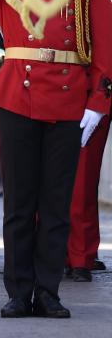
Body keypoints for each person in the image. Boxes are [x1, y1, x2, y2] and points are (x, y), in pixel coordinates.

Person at [0, 0, 112, 319]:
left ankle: (48, 291)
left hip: (69, 96)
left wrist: (98, 102)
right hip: (17, 95)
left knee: (56, 204)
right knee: (19, 204)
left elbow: (105, 44)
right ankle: (18, 290)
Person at [66, 114, 110, 282]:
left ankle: (80, 257)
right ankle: (52, 252)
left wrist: (99, 102)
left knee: (83, 185)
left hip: (91, 101)